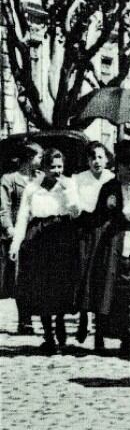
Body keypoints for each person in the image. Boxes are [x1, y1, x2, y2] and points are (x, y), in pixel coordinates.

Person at [87, 140, 130, 360]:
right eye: (125, 165)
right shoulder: (109, 188)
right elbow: (97, 218)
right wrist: (108, 208)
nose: (129, 169)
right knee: (119, 289)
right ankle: (125, 337)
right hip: (116, 242)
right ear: (118, 166)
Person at [9, 148, 82, 353]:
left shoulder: (69, 184)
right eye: (52, 167)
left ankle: (60, 324)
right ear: (44, 168)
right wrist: (16, 244)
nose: (57, 171)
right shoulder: (32, 189)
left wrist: (68, 192)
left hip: (62, 235)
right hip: (39, 238)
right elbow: (23, 216)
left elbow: (76, 212)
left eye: (60, 166)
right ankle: (48, 335)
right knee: (41, 286)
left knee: (61, 284)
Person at [73, 141, 115, 350]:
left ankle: (100, 333)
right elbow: (75, 205)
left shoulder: (112, 179)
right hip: (86, 232)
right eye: (92, 157)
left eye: (100, 157)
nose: (96, 161)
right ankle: (83, 318)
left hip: (106, 233)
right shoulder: (79, 179)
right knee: (85, 277)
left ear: (106, 159)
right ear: (87, 160)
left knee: (103, 280)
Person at [1, 142, 42, 335]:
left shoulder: (41, 179)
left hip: (38, 234)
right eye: (39, 157)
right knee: (20, 279)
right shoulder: (9, 180)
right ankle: (24, 320)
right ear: (29, 158)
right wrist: (9, 228)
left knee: (37, 278)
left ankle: (40, 316)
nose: (42, 160)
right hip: (17, 234)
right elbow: (3, 206)